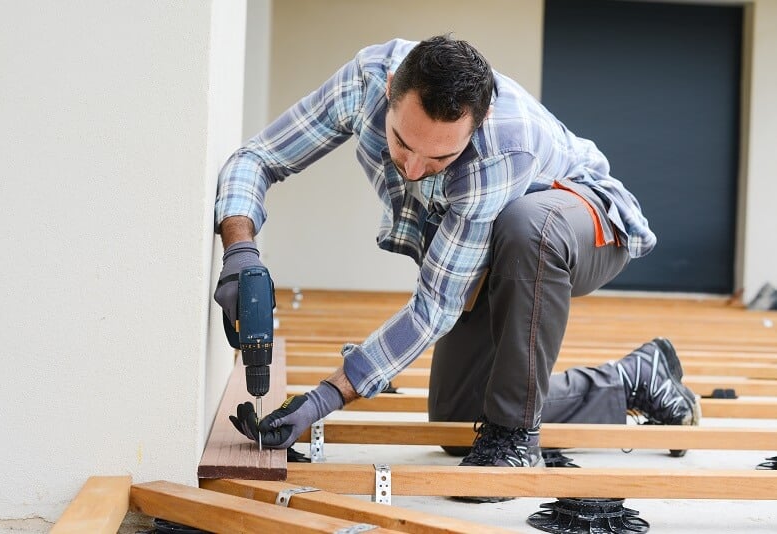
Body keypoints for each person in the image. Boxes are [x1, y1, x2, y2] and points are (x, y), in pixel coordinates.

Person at [218, 35, 700, 473]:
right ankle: (635, 380)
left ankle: (516, 438)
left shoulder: (499, 150)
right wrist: (240, 250)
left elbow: (435, 305)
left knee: (528, 227)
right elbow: (258, 157)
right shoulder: (364, 80)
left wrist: (326, 396)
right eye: (401, 142)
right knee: (459, 417)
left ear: (479, 122)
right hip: (498, 254)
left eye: (440, 159)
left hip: (584, 222)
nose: (412, 167)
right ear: (389, 89)